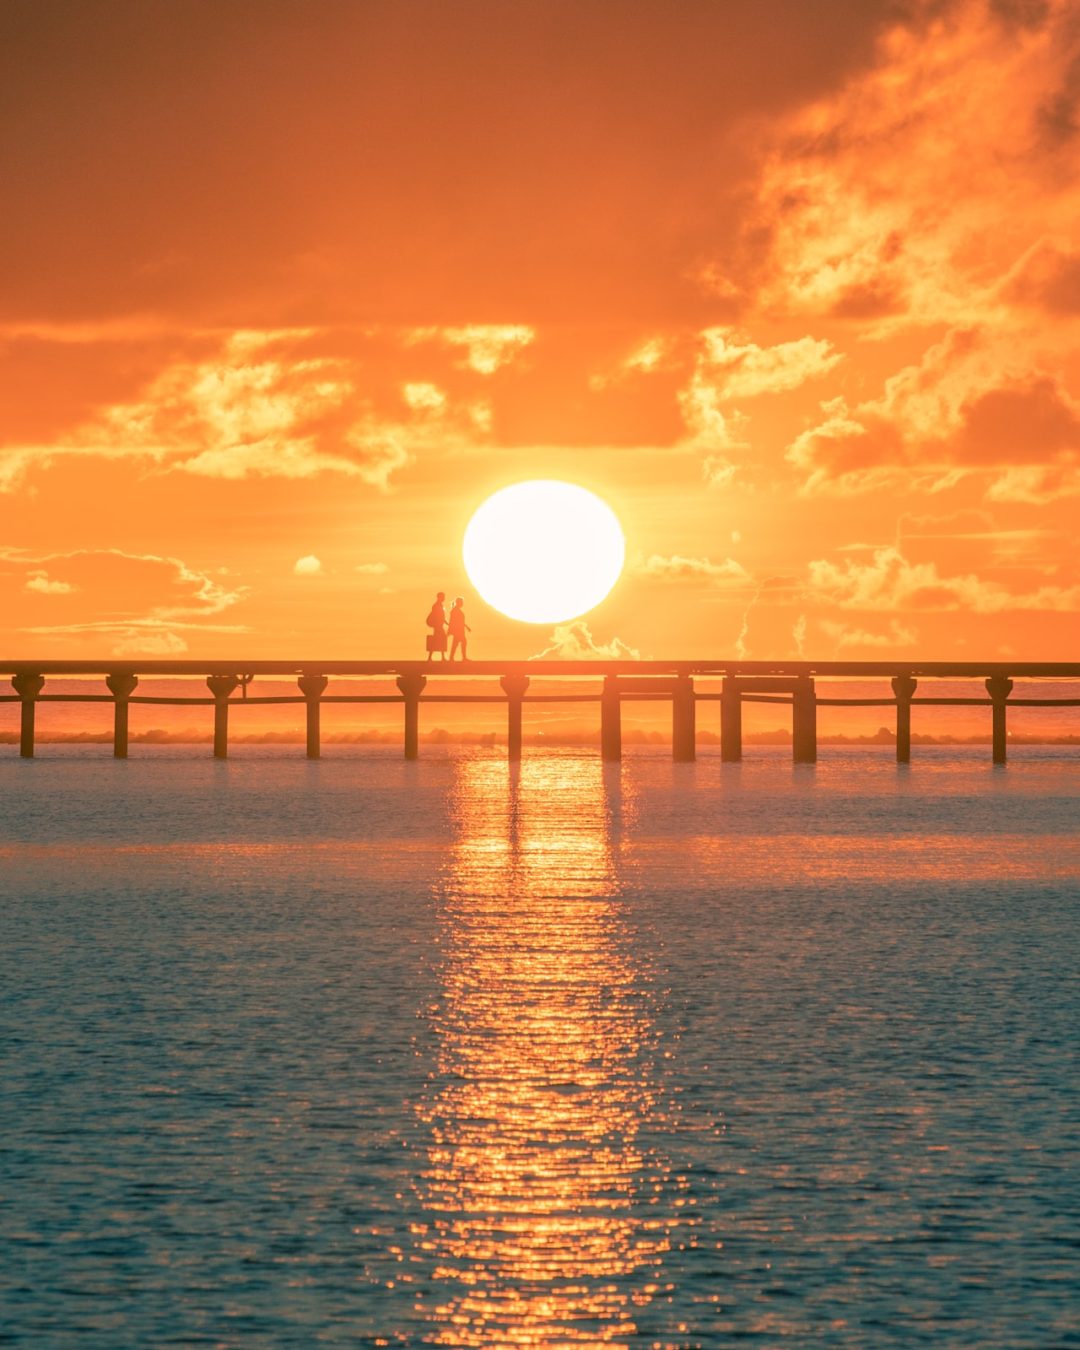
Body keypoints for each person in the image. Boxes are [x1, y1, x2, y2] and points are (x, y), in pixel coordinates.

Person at [425, 592, 447, 662]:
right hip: (438, 626)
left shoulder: (439, 605)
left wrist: (445, 622)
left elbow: (441, 616)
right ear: (440, 597)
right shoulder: (437, 605)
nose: (444, 598)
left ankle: (431, 657)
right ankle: (441, 657)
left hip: (439, 625)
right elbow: (437, 615)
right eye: (443, 597)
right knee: (440, 639)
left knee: (437, 640)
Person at [447, 596, 470, 662]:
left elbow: (461, 621)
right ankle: (463, 658)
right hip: (458, 630)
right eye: (462, 602)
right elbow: (452, 621)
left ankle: (452, 658)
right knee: (462, 642)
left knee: (456, 643)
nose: (463, 603)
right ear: (459, 603)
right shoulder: (455, 611)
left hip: (460, 630)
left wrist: (466, 627)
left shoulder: (456, 610)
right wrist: (450, 630)